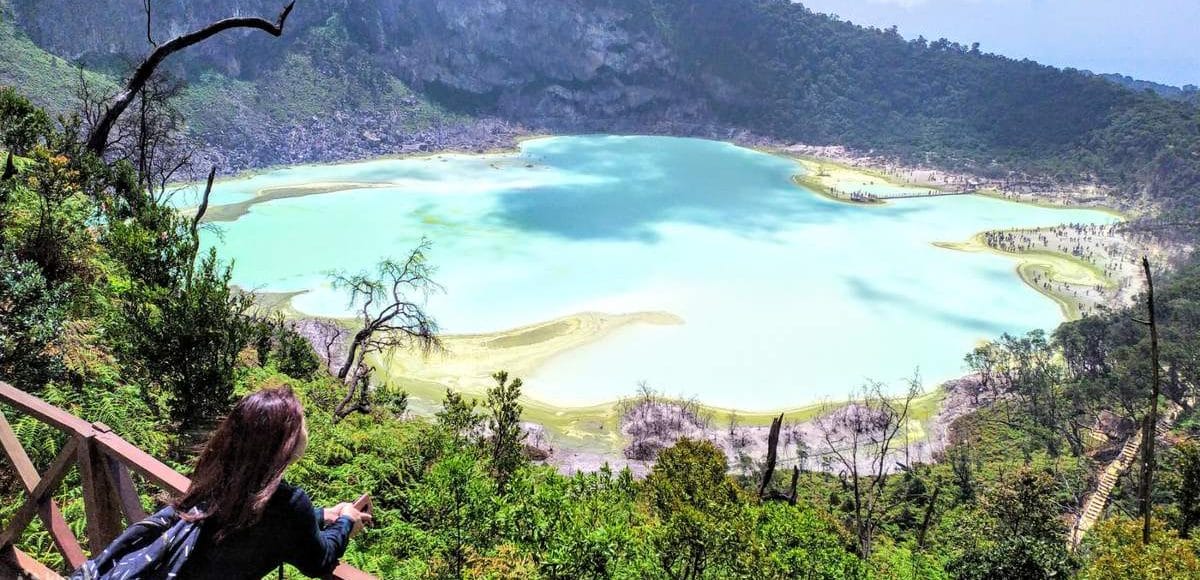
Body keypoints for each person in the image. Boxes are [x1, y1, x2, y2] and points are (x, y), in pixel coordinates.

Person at [173, 387, 372, 579]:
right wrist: (346, 521)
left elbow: (258, 522)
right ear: (286, 443)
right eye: (302, 425)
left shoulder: (218, 470)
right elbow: (318, 562)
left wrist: (320, 515)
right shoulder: (288, 502)